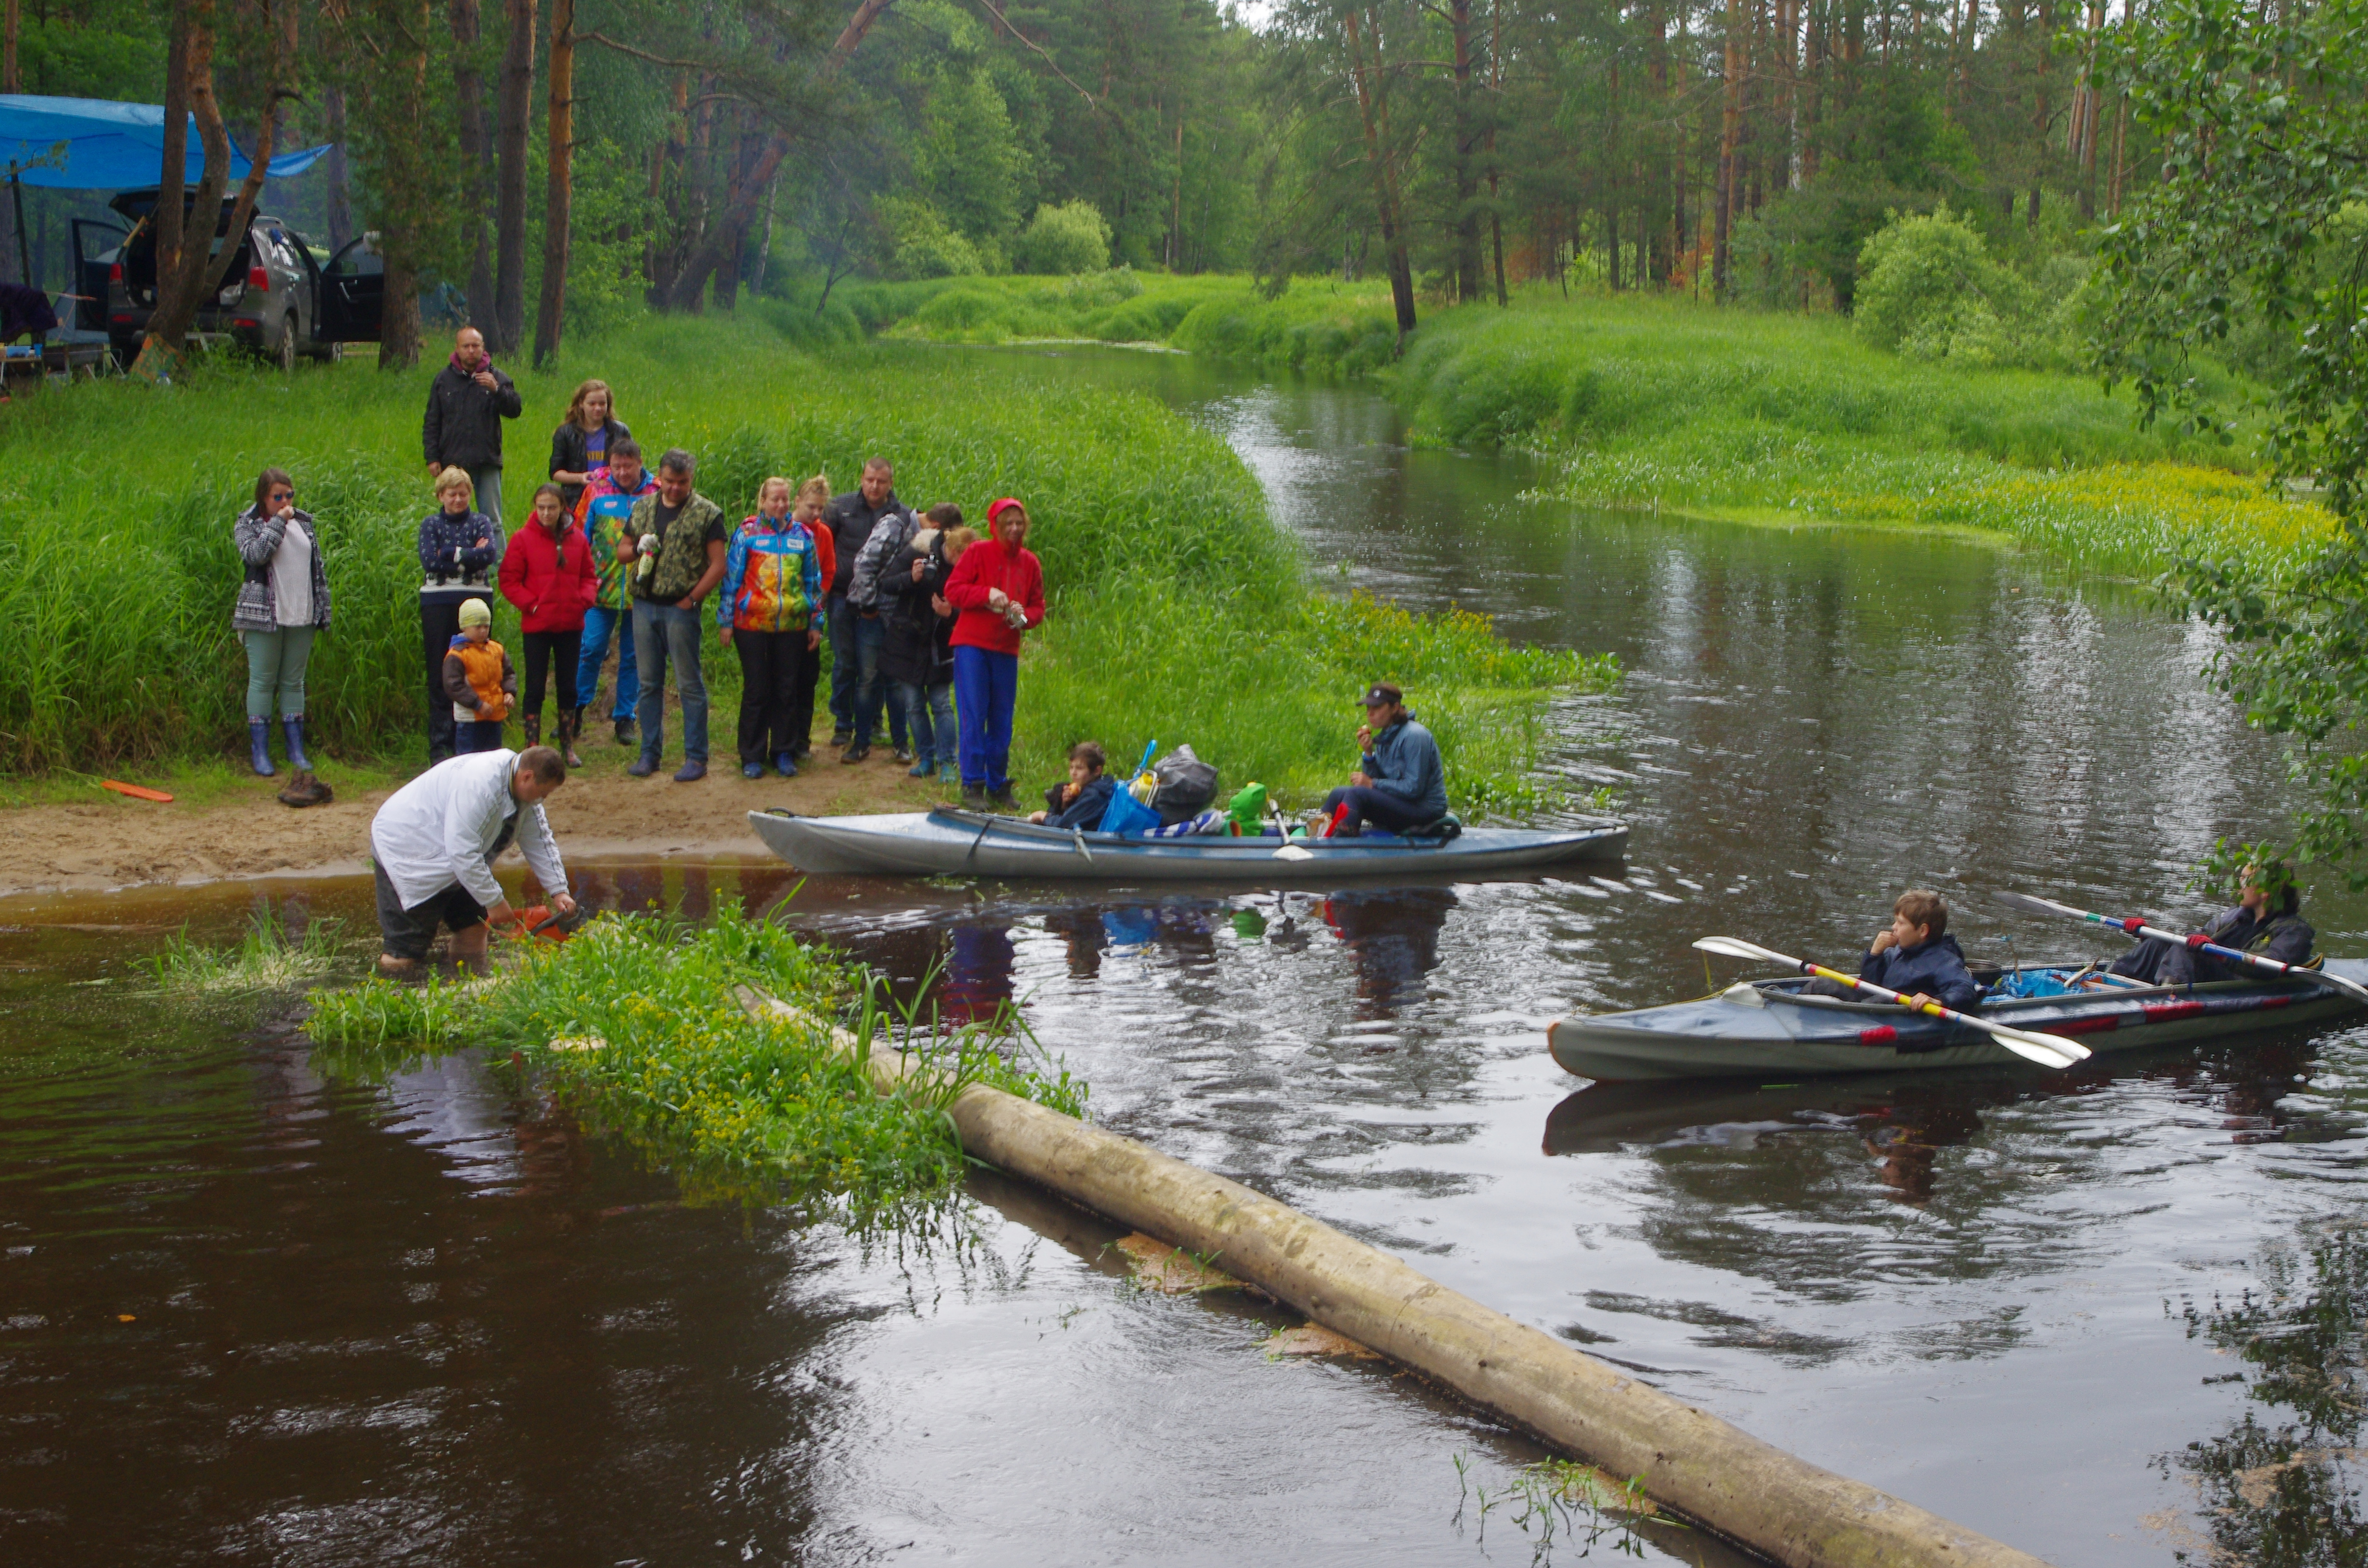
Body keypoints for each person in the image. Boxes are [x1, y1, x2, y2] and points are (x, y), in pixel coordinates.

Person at [369, 744, 576, 978]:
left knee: (474, 925)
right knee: (406, 948)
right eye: (543, 793)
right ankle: (389, 1003)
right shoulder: (481, 787)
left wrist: (559, 890)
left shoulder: (524, 792)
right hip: (408, 848)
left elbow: (539, 839)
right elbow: (462, 852)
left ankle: (469, 992)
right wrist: (494, 900)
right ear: (527, 777)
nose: (543, 799)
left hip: (458, 857)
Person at [618, 447, 729, 782]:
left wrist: (693, 599)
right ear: (660, 478)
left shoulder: (707, 513)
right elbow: (621, 551)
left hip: (680, 609)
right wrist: (637, 547)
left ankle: (696, 757)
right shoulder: (643, 508)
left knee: (688, 684)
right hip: (644, 605)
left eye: (682, 482)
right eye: (669, 481)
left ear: (690, 480)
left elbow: (718, 565)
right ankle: (650, 754)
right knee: (648, 683)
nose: (675, 489)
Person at [717, 475, 826, 779]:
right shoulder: (747, 533)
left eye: (784, 500)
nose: (779, 505)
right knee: (757, 688)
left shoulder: (802, 535)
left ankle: (783, 751)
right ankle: (751, 755)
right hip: (750, 623)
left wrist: (815, 622)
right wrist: (726, 621)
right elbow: (731, 581)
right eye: (774, 499)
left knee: (786, 688)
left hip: (792, 624)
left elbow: (813, 583)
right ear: (763, 501)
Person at [943, 497, 1046, 809]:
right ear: (996, 527)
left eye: (1018, 524)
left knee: (1002, 718)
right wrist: (985, 594)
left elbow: (1037, 609)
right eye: (1007, 524)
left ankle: (997, 782)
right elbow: (954, 590)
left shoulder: (1030, 563)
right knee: (974, 713)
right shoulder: (978, 552)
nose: (1013, 530)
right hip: (973, 645)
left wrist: (1021, 617)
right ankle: (972, 783)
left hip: (1006, 648)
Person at [231, 466, 331, 778]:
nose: (286, 501)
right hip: (264, 614)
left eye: (290, 495)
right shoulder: (248, 524)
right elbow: (256, 555)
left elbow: (317, 568)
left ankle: (295, 750)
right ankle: (260, 752)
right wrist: (277, 522)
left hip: (301, 610)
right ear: (264, 498)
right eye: (278, 497)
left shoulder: (304, 522)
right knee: (263, 680)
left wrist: (322, 609)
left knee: (293, 681)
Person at [498, 481, 597, 767]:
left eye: (551, 508)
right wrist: (533, 604)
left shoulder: (578, 539)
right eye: (540, 507)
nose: (545, 513)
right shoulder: (522, 539)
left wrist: (583, 600)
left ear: (562, 508)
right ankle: (532, 748)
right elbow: (509, 580)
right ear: (535, 508)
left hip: (571, 623)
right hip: (538, 625)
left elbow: (589, 576)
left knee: (568, 687)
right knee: (535, 688)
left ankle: (567, 746)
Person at [823, 458, 914, 759]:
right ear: (861, 479)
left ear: (891, 483)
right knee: (846, 661)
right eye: (870, 480)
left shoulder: (900, 514)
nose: (874, 486)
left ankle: (875, 724)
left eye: (881, 481)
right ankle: (843, 723)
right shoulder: (840, 506)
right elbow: (823, 545)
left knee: (874, 668)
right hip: (840, 596)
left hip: (881, 606)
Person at [573, 436, 657, 747]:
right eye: (617, 466)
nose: (623, 472)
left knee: (634, 657)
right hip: (600, 589)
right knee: (591, 649)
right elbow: (578, 536)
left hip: (642, 592)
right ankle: (576, 712)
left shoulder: (656, 492)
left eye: (628, 466)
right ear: (609, 466)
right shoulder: (595, 491)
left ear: (639, 463)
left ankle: (625, 719)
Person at [417, 466, 503, 763]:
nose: (458, 499)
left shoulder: (480, 521)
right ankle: (440, 745)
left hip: (477, 601)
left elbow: (490, 555)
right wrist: (468, 555)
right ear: (441, 495)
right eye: (452, 494)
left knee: (479, 668)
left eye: (463, 493)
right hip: (438, 603)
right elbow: (429, 560)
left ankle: (475, 740)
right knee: (442, 672)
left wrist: (450, 553)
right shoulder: (430, 524)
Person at [2108, 865, 2315, 987]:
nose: (2239, 887)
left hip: (2242, 981)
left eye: (2245, 880)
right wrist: (2148, 934)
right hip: (2217, 970)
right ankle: (2109, 979)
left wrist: (2221, 954)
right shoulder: (2234, 917)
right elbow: (2196, 937)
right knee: (2161, 943)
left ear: (2267, 890)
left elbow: (2272, 965)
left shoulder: (2295, 931)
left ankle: (2169, 995)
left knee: (2184, 948)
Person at [848, 490, 938, 765]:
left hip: (902, 621)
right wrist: (868, 607)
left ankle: (901, 744)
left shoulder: (929, 539)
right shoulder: (895, 525)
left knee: (897, 684)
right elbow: (863, 564)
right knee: (867, 680)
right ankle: (860, 742)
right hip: (875, 615)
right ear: (935, 526)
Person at [882, 511, 966, 780]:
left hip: (940, 646)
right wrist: (911, 578)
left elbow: (975, 611)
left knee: (942, 704)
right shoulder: (917, 550)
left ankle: (948, 762)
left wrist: (950, 614)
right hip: (907, 641)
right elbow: (886, 584)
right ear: (948, 547)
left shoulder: (970, 566)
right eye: (957, 558)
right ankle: (927, 758)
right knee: (914, 704)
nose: (960, 565)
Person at [421, 325, 522, 528]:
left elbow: (515, 410)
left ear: (483, 347)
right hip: (453, 461)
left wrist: (496, 390)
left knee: (493, 521)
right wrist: (432, 457)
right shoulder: (444, 380)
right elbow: (432, 420)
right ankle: (456, 559)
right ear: (457, 349)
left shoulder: (497, 377)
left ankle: (497, 561)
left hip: (487, 460)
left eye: (475, 346)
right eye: (466, 346)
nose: (471, 350)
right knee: (452, 518)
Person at [1814, 890, 1980, 1013]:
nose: (1894, 928)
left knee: (1879, 1002)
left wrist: (1939, 1001)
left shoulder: (1943, 960)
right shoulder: (1897, 951)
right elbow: (1869, 984)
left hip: (1893, 1012)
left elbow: (1964, 989)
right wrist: (1875, 955)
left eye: (1901, 923)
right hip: (1876, 1002)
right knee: (1823, 983)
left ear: (1923, 931)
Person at [1319, 683, 1448, 836]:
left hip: (1425, 811)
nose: (1370, 714)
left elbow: (1414, 788)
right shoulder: (1384, 737)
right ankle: (1316, 835)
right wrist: (1369, 755)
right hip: (1402, 803)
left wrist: (1372, 784)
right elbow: (1377, 784)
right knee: (1338, 794)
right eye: (1369, 709)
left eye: (1377, 708)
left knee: (1357, 795)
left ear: (1395, 708)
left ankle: (1343, 843)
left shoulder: (1415, 736)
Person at [784, 475, 839, 763]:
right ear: (796, 503)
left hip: (811, 614)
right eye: (811, 508)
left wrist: (818, 602)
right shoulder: (785, 529)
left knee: (807, 679)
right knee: (784, 681)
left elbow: (828, 572)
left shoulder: (824, 533)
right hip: (782, 615)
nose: (816, 514)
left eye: (821, 509)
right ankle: (782, 739)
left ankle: (802, 740)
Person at [443, 597, 516, 754]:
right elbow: (453, 685)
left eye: (486, 626)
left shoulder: (497, 649)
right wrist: (478, 704)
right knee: (468, 760)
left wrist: (509, 693)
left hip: (494, 715)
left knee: (492, 758)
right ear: (465, 627)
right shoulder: (458, 654)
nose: (483, 631)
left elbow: (508, 673)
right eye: (478, 627)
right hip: (470, 719)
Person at [547, 378, 629, 514]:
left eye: (602, 404)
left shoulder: (620, 431)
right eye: (592, 404)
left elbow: (631, 465)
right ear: (581, 404)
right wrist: (580, 478)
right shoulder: (566, 433)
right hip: (576, 499)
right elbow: (556, 473)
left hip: (613, 497)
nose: (598, 408)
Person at [1029, 741, 1115, 830]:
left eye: (1079, 768)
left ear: (1097, 771)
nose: (1073, 773)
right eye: (1071, 767)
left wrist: (1043, 816)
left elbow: (1063, 825)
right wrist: (1065, 805)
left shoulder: (1095, 795)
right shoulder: (1094, 789)